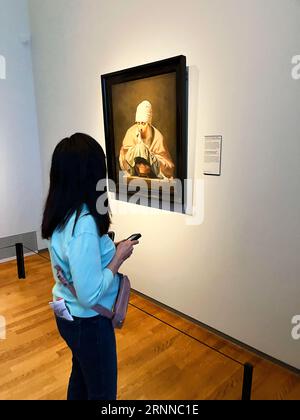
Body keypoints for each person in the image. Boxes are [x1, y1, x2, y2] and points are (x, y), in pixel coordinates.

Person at [42, 133, 139, 400]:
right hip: (88, 323)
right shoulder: (83, 222)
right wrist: (118, 257)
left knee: (82, 375)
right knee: (102, 392)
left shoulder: (61, 212)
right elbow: (90, 294)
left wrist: (109, 248)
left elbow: (77, 262)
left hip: (66, 312)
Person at [119, 100, 175, 179]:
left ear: (149, 123)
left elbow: (169, 167)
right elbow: (124, 155)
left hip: (153, 173)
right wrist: (136, 155)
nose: (140, 127)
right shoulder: (130, 132)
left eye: (143, 123)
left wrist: (151, 160)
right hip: (134, 171)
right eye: (138, 123)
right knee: (140, 147)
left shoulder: (158, 137)